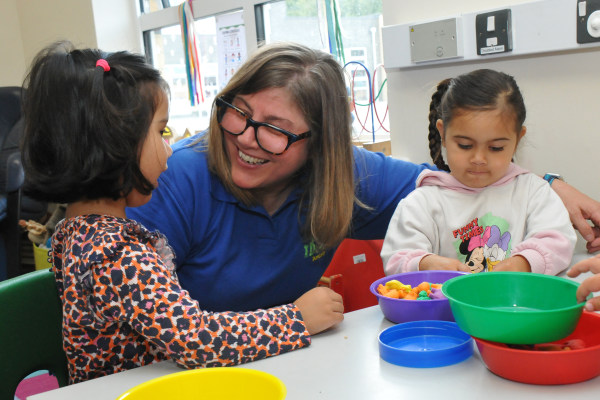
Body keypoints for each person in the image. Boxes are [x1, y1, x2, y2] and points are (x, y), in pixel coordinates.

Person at [128, 42, 600, 311]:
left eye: (276, 131)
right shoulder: (174, 180)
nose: (247, 138)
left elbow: (461, 181)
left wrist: (549, 185)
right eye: (237, 112)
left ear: (323, 148)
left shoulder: (347, 177)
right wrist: (292, 321)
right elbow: (159, 327)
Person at [20, 41, 342, 384]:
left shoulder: (77, 233)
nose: (169, 150)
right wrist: (297, 319)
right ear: (116, 147)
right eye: (160, 132)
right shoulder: (115, 254)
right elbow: (198, 340)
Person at [381, 69, 576, 275]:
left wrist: (524, 263)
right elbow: (397, 259)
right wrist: (426, 264)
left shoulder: (534, 192)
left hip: (517, 305)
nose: (479, 159)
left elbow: (558, 242)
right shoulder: (422, 203)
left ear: (518, 139)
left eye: (496, 148)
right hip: (449, 308)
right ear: (443, 134)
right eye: (465, 145)